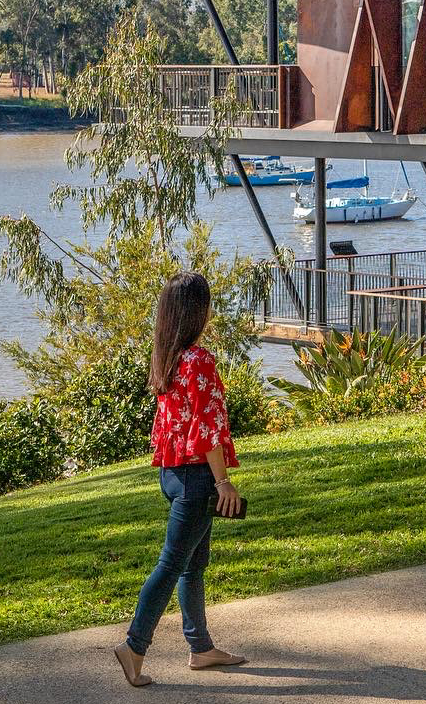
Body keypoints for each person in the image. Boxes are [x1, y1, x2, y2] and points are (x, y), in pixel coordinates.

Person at [114, 271, 247, 687]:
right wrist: (223, 482)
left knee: (193, 563)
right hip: (196, 477)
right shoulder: (199, 359)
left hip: (171, 474)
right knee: (173, 563)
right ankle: (134, 646)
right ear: (197, 312)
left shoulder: (166, 356)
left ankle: (201, 648)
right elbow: (207, 425)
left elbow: (170, 422)